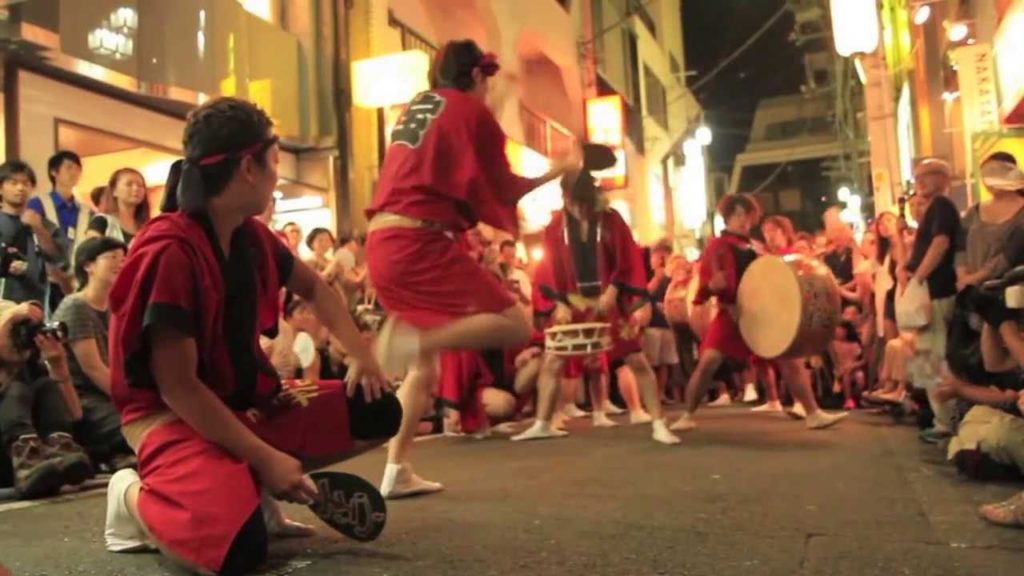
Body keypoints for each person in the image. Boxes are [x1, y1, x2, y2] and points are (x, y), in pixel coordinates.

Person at [103, 97, 399, 575]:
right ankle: (131, 498)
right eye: (275, 162)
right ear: (248, 167)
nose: (277, 176)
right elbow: (177, 387)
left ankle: (242, 485)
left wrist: (360, 354)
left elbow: (315, 288)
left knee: (376, 405)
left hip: (242, 403)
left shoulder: (251, 236)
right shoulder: (171, 252)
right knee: (233, 554)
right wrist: (265, 458)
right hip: (169, 414)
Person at [364, 39, 576, 498]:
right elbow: (502, 189)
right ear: (478, 77)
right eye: (489, 83)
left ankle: (395, 469)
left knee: (425, 370)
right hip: (418, 240)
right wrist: (556, 168)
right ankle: (412, 338)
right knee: (514, 322)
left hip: (384, 241)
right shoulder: (469, 111)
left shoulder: (418, 108)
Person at [514, 169, 680, 445]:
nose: (577, 208)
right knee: (553, 360)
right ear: (565, 198)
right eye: (572, 201)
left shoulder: (611, 219)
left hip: (608, 301)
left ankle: (659, 423)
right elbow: (548, 269)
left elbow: (626, 258)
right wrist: (558, 302)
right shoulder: (556, 225)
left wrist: (614, 290)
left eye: (582, 202)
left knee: (635, 359)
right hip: (572, 302)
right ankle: (543, 422)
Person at [672, 194, 846, 432]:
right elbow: (702, 291)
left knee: (790, 360)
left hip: (762, 314)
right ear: (729, 217)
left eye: (748, 215)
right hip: (732, 315)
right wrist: (712, 286)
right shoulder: (717, 246)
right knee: (709, 362)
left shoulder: (756, 247)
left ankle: (813, 413)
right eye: (739, 215)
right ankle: (687, 415)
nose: (744, 220)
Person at [52, 238, 135, 469]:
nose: (120, 263)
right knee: (136, 426)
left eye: (124, 258)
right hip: (83, 398)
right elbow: (93, 369)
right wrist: (131, 400)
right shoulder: (76, 307)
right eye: (112, 258)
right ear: (88, 265)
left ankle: (115, 457)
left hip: (109, 394)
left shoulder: (114, 306)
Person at [0, 300, 92, 499]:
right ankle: (27, 466)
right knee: (17, 391)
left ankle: (61, 454)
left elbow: (76, 414)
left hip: (42, 463)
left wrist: (58, 364)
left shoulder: (30, 367)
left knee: (45, 386)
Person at [899, 158, 962, 443]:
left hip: (935, 291)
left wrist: (919, 277)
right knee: (926, 354)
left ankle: (944, 420)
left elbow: (940, 244)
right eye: (918, 176)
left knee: (932, 355)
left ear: (943, 178)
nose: (920, 181)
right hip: (932, 291)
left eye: (926, 175)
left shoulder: (941, 206)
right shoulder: (936, 208)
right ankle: (939, 416)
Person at [0, 161, 65, 306]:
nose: (20, 188)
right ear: (1, 188)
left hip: (37, 302)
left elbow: (58, 258)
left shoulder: (44, 223)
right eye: (13, 182)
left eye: (26, 183)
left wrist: (38, 228)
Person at [86, 168, 150, 245]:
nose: (136, 188)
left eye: (140, 185)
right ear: (114, 191)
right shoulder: (102, 221)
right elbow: (90, 252)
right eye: (129, 184)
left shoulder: (148, 226)